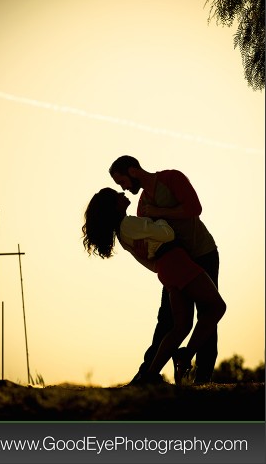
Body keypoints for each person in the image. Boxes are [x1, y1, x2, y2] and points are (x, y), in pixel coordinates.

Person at [82, 187, 226, 385]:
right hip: (177, 262)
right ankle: (186, 355)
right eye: (118, 195)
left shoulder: (123, 234)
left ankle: (150, 374)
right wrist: (159, 221)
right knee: (217, 307)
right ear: (114, 205)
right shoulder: (129, 223)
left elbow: (149, 262)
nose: (123, 195)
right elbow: (167, 234)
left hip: (165, 269)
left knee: (181, 326)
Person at [109, 155, 220, 385]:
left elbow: (194, 209)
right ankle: (148, 373)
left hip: (203, 253)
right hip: (175, 263)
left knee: (205, 313)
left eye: (123, 182)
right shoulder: (140, 208)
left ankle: (203, 376)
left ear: (133, 170)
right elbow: (149, 244)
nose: (124, 189)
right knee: (169, 320)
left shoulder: (172, 178)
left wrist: (159, 211)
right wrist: (158, 267)